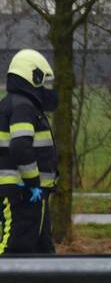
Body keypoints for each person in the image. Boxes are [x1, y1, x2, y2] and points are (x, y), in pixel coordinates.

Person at [0, 49, 59, 255]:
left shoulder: (20, 105)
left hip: (31, 194)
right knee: (16, 248)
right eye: (45, 82)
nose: (48, 89)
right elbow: (20, 147)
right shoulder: (23, 107)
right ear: (33, 77)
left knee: (42, 249)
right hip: (21, 193)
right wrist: (33, 182)